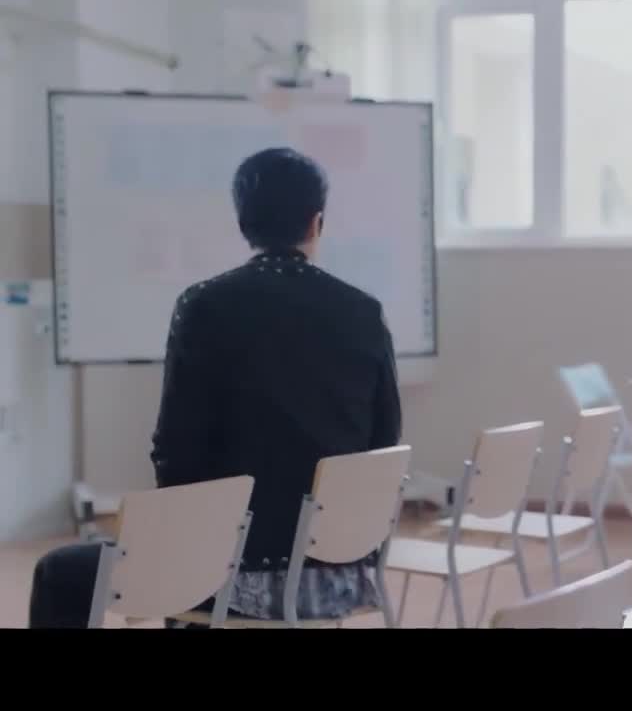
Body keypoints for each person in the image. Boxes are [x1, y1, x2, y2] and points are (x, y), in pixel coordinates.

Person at [28, 147, 402, 628]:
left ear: (243, 223)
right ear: (317, 222)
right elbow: (384, 444)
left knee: (59, 572)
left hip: (225, 579)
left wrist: (178, 548)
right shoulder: (365, 311)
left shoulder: (204, 305)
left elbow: (175, 452)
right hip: (338, 579)